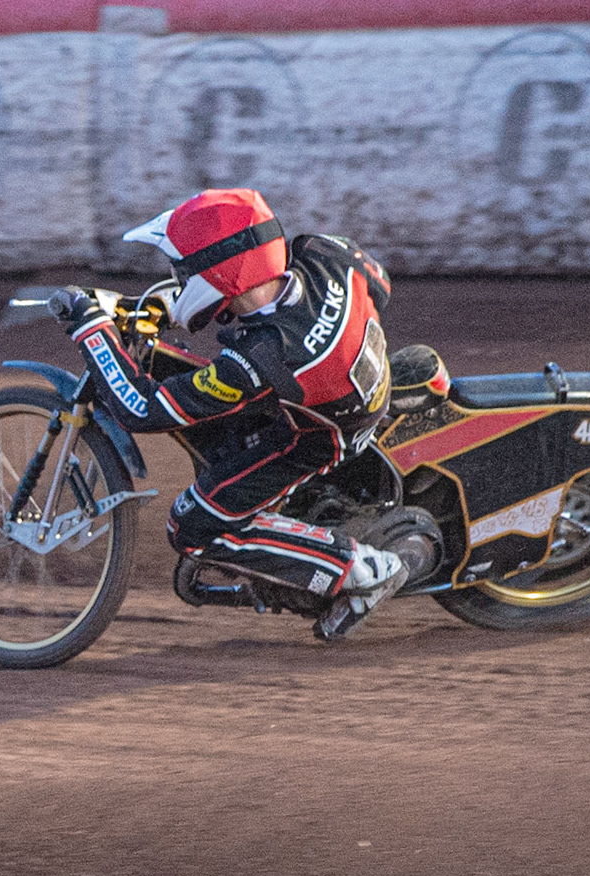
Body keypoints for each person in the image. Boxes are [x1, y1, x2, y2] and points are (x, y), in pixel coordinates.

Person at [43, 187, 406, 641]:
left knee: (191, 525)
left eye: (183, 269)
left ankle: (362, 570)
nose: (178, 277)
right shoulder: (322, 251)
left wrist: (92, 330)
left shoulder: (260, 359)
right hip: (362, 382)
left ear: (215, 272)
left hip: (317, 437)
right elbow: (381, 286)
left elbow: (142, 408)